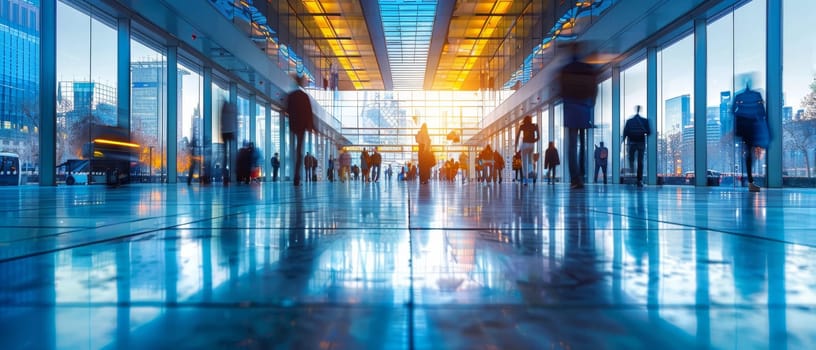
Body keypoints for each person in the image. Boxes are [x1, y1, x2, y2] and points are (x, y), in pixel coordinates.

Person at [558, 45, 598, 189]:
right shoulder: (588, 69)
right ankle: (582, 173)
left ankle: (576, 178)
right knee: (583, 144)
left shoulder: (566, 69)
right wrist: (591, 104)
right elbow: (594, 89)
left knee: (572, 146)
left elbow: (561, 91)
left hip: (571, 109)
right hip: (584, 108)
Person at [733, 83, 769, 192]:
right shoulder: (757, 95)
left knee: (748, 153)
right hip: (753, 127)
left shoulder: (738, 96)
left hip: (744, 128)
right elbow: (762, 112)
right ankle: (750, 181)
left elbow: (732, 110)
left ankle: (749, 180)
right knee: (752, 152)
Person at [286, 74, 316, 186]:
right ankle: (296, 176)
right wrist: (311, 126)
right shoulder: (304, 96)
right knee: (299, 151)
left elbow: (288, 109)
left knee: (296, 150)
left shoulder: (291, 96)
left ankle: (295, 175)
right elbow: (308, 113)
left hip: (294, 125)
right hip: (301, 126)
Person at [622, 105, 651, 188]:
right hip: (641, 143)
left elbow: (625, 132)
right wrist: (642, 131)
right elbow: (649, 132)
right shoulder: (644, 121)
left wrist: (623, 141)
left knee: (631, 160)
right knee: (640, 162)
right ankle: (639, 179)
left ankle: (633, 174)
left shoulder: (629, 121)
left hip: (632, 143)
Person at [515, 115, 540, 185]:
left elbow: (517, 137)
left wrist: (515, 148)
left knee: (524, 163)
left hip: (525, 144)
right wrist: (533, 140)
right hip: (532, 145)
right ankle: (533, 172)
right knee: (530, 161)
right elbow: (538, 137)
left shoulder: (522, 126)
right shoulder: (535, 125)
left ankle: (526, 180)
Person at [220, 101, 238, 185]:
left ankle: (226, 177)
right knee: (232, 153)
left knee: (225, 156)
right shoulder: (233, 109)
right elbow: (235, 121)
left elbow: (221, 122)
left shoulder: (223, 110)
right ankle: (233, 174)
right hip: (231, 132)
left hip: (224, 133)